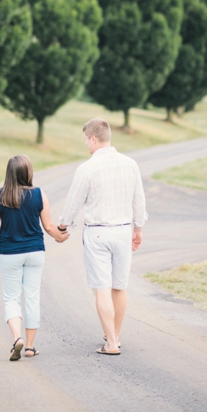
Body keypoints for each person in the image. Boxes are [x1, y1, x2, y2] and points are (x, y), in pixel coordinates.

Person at [57, 118, 147, 355]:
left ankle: (111, 343)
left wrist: (63, 226)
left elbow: (73, 201)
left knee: (102, 288)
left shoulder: (87, 168)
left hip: (98, 232)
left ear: (93, 138)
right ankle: (114, 335)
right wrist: (138, 229)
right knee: (119, 286)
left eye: (86, 139)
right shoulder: (130, 164)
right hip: (123, 230)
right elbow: (139, 199)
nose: (86, 144)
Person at [0, 154, 68, 361]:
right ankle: (31, 347)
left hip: (9, 252)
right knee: (32, 297)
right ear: (28, 172)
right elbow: (49, 226)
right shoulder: (40, 194)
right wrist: (60, 237)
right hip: (35, 252)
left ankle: (17, 339)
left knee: (11, 298)